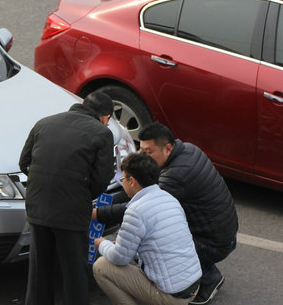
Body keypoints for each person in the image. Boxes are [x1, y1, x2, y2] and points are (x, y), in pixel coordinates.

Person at [93, 122, 237, 305]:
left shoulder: (174, 178)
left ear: (167, 148)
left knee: (107, 264)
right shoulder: (189, 150)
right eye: (141, 149)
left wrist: (99, 222)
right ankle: (206, 277)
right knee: (164, 233)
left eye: (148, 152)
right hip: (221, 232)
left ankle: (207, 280)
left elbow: (131, 209)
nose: (143, 156)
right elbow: (137, 189)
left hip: (214, 243)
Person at [19, 92, 115, 305]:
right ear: (105, 117)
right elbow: (102, 178)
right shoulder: (102, 133)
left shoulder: (44, 123)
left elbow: (23, 162)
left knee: (39, 271)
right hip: (71, 213)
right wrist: (79, 193)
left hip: (37, 208)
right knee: (74, 273)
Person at [93, 152, 202, 305]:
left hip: (172, 296)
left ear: (132, 181)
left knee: (101, 266)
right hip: (193, 284)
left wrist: (102, 244)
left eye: (123, 179)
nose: (122, 183)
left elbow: (119, 258)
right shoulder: (170, 199)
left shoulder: (135, 211)